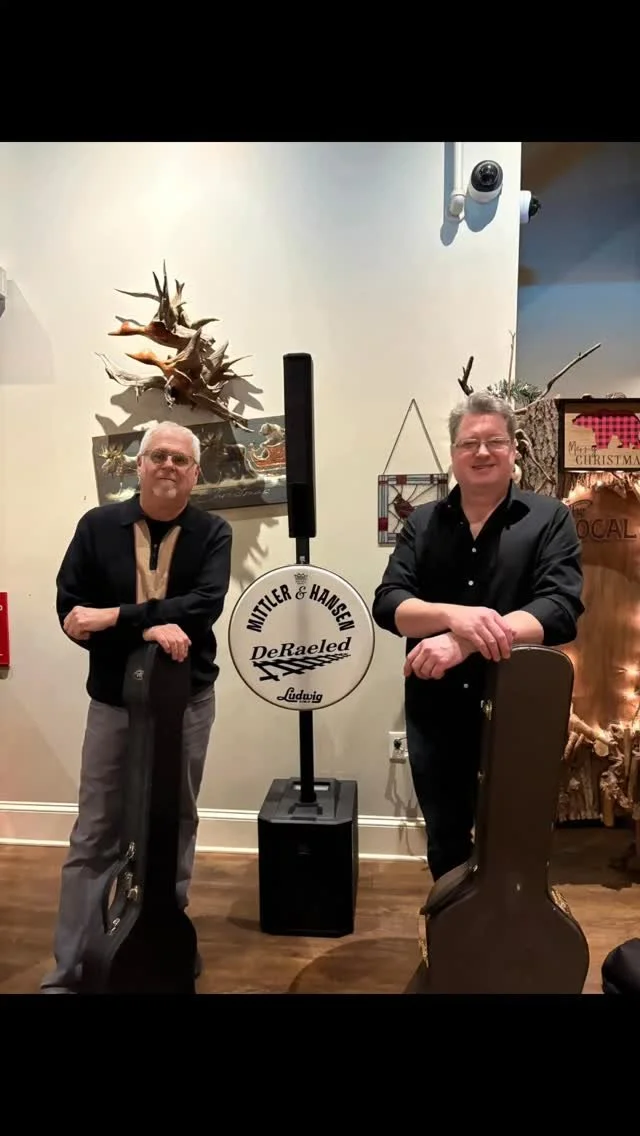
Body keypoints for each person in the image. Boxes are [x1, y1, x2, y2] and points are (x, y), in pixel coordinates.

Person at [41, 421, 233, 992]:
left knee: (175, 819)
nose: (169, 465)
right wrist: (146, 628)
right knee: (96, 828)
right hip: (112, 702)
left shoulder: (213, 532)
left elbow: (203, 606)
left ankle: (163, 941)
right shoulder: (97, 526)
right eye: (159, 456)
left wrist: (117, 617)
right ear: (139, 465)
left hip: (187, 701)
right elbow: (73, 610)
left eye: (181, 459)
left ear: (195, 473)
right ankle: (72, 967)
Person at [372, 390, 584, 883]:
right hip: (436, 712)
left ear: (513, 449)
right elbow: (389, 604)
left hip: (519, 708)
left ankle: (508, 928)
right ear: (454, 454)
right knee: (446, 841)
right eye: (469, 443)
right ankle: (454, 928)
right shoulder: (422, 522)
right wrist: (456, 616)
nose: (482, 452)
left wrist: (463, 640)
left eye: (494, 441)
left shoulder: (549, 518)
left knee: (515, 840)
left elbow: (560, 609)